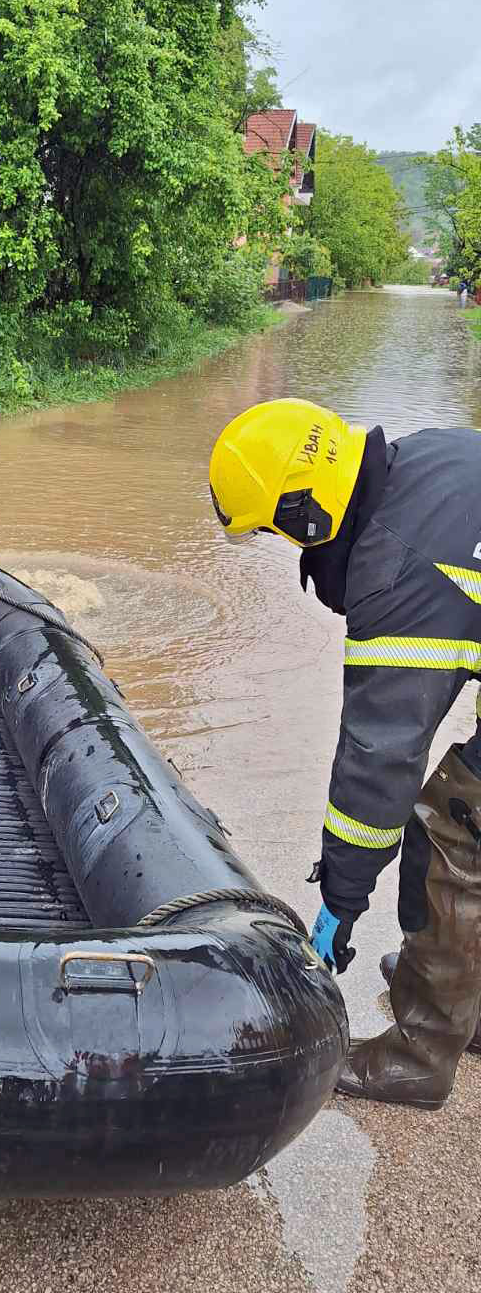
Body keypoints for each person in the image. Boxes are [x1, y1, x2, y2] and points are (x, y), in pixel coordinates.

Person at [209, 397, 481, 1110]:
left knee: (457, 822)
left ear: (306, 514)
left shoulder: (399, 568)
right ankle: (461, 992)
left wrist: (340, 899)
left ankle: (420, 1057)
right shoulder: (423, 462)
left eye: (275, 532)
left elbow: (379, 763)